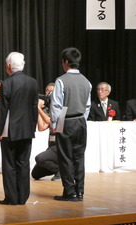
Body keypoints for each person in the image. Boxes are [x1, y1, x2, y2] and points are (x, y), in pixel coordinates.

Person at [0, 52, 38, 205]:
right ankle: (23, 197)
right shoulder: (33, 82)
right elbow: (34, 107)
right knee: (23, 163)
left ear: (8, 65)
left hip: (10, 130)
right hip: (27, 129)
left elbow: (3, 109)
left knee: (9, 164)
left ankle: (11, 198)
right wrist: (33, 126)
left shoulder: (7, 83)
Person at [50, 47, 91, 202]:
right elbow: (87, 106)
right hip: (81, 121)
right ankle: (80, 192)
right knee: (79, 157)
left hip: (66, 121)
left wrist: (55, 123)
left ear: (66, 62)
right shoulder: (86, 81)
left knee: (65, 157)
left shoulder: (61, 80)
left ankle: (69, 192)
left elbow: (56, 105)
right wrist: (82, 118)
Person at [31, 83, 60, 181]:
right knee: (35, 174)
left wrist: (39, 108)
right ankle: (58, 168)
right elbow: (41, 127)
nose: (49, 93)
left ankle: (62, 171)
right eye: (47, 91)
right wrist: (39, 110)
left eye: (52, 91)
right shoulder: (47, 109)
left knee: (39, 158)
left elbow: (51, 122)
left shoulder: (60, 108)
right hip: (51, 147)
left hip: (59, 147)